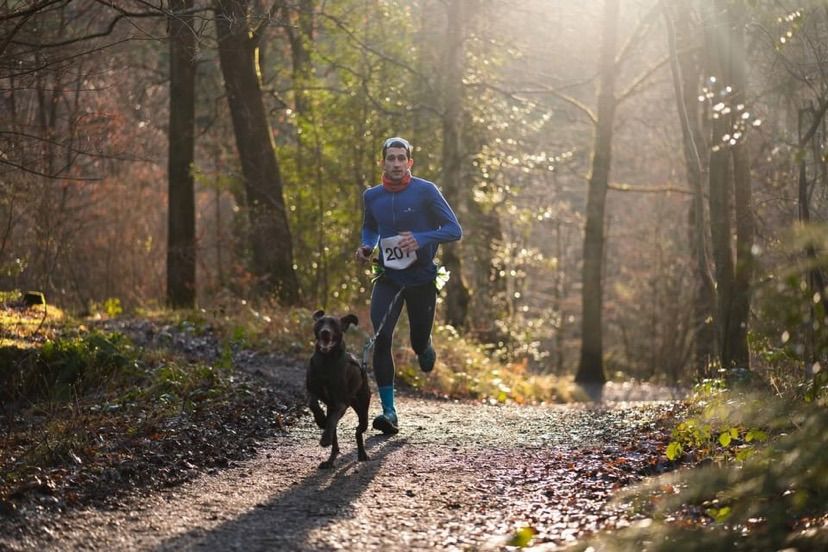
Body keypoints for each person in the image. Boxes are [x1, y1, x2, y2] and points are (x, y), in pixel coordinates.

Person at [355, 136, 462, 435]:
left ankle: (424, 346)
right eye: (391, 158)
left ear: (410, 162)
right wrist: (366, 246)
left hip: (422, 279)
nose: (397, 164)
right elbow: (371, 227)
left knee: (417, 341)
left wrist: (422, 238)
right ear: (383, 162)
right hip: (388, 277)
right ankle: (389, 412)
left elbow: (454, 230)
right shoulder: (372, 196)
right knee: (382, 337)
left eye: (402, 158)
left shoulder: (426, 191)